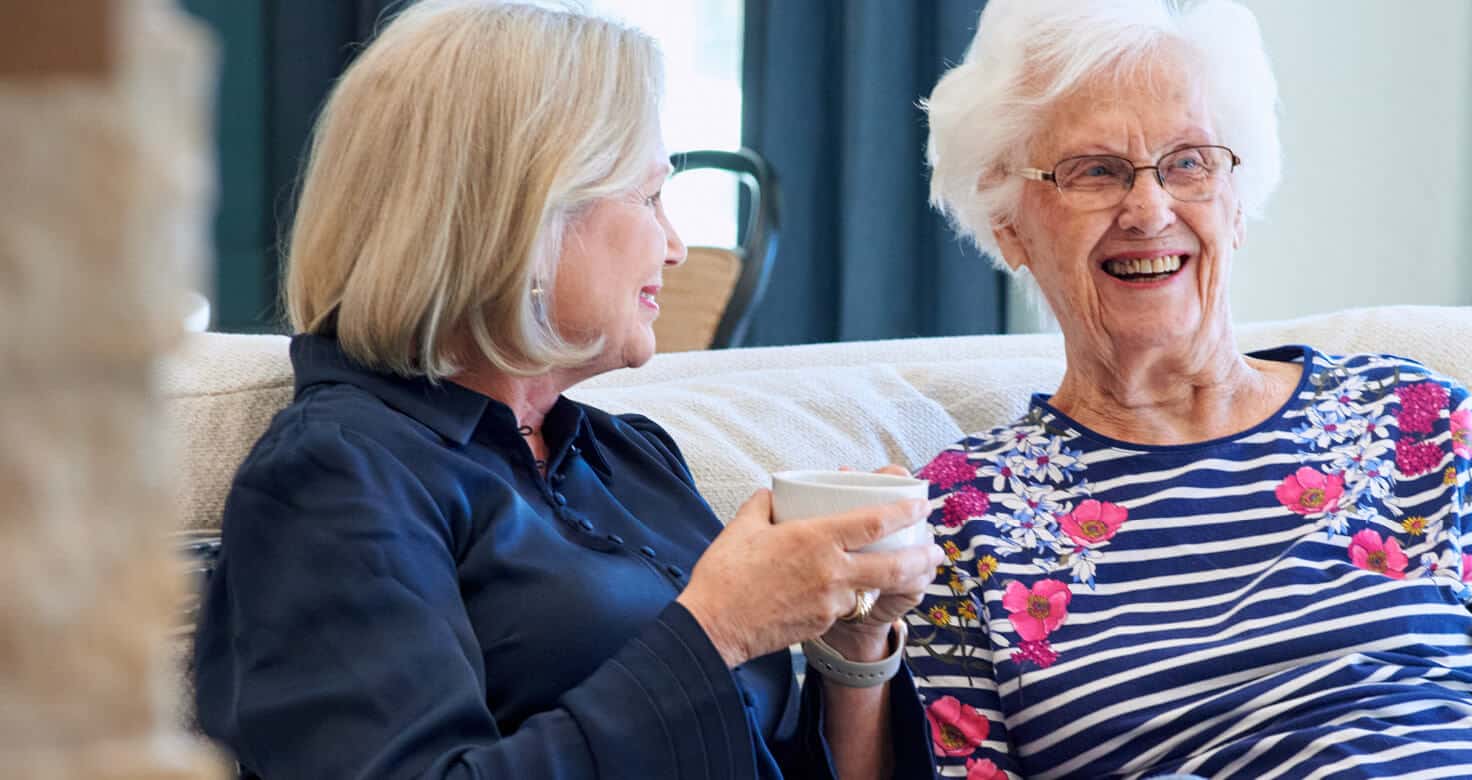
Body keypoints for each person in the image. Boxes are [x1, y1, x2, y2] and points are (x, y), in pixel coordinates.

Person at [902, 1, 1472, 778]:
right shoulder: (959, 518)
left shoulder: (1414, 422)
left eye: (1188, 163)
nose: (1149, 209)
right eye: (1095, 172)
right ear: (1008, 220)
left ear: (1237, 199)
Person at [191, 2, 940, 777]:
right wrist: (721, 627)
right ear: (524, 216)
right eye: (650, 197)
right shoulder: (335, 475)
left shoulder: (628, 457)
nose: (677, 246)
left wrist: (853, 647)